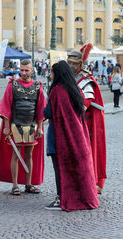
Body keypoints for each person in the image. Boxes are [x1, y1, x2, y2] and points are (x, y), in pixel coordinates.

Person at [43, 61, 99, 211]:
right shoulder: (75, 89)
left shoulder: (56, 91)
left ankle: (61, 197)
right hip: (77, 135)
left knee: (59, 168)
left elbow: (47, 113)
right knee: (75, 168)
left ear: (58, 73)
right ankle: (77, 196)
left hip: (58, 135)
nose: (50, 75)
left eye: (52, 72)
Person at [0, 59, 47, 195]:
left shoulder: (37, 86)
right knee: (15, 155)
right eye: (21, 70)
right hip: (15, 126)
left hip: (31, 126)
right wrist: (6, 127)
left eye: (26, 70)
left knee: (29, 155)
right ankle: (15, 185)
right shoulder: (13, 85)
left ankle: (28, 185)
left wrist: (40, 127)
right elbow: (6, 106)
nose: (23, 73)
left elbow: (41, 108)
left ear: (32, 70)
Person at [67, 43, 106, 194]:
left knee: (85, 156)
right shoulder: (70, 78)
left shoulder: (85, 80)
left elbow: (86, 102)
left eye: (73, 63)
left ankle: (87, 183)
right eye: (68, 62)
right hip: (72, 123)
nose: (70, 66)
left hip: (84, 125)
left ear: (80, 63)